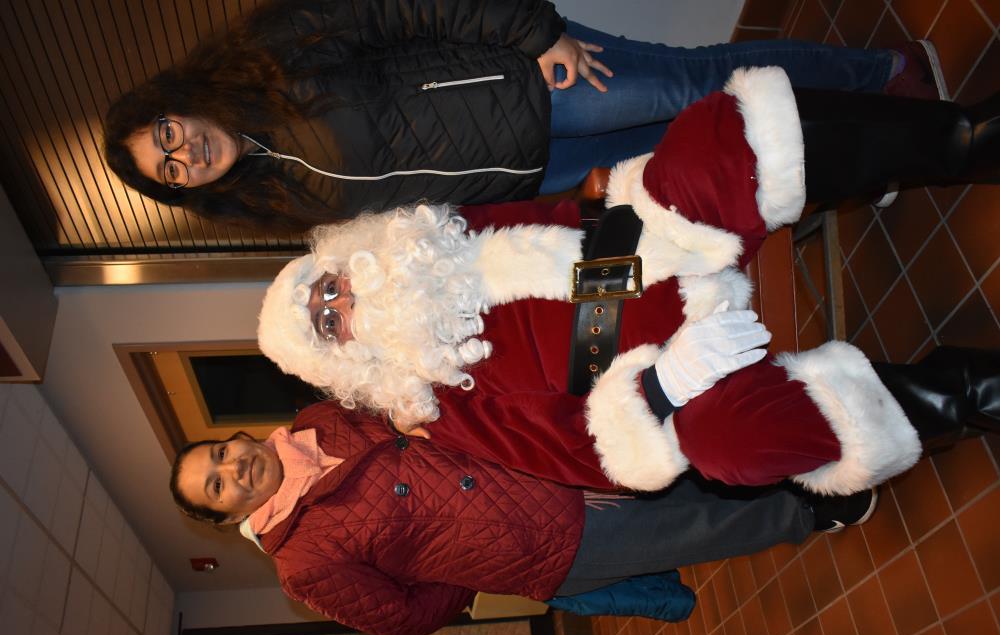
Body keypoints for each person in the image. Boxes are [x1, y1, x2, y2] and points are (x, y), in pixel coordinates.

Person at [257, 66, 998, 495]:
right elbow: (580, 453)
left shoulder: (439, 232)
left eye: (327, 283)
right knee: (726, 444)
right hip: (667, 359)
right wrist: (661, 389)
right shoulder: (440, 403)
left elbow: (575, 213)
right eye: (329, 319)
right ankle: (958, 392)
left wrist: (610, 203)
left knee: (715, 142)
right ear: (341, 357)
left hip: (648, 248)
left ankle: (960, 140)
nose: (345, 298)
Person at [102, 0, 946, 228]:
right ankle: (860, 137)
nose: (185, 154)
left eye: (167, 135)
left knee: (705, 82)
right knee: (704, 137)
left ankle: (877, 74)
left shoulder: (270, 54)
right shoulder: (277, 200)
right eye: (169, 170)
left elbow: (403, 10)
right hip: (540, 168)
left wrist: (533, 33)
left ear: (175, 103)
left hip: (533, 81)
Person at [168, 402, 879, 635]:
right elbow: (406, 617)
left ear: (231, 437)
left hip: (524, 448)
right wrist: (466, 562)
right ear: (225, 513)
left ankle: (792, 458)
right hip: (536, 541)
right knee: (689, 529)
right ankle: (812, 510)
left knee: (675, 461)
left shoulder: (314, 419)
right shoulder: (302, 566)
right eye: (217, 484)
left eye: (220, 453)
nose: (232, 468)